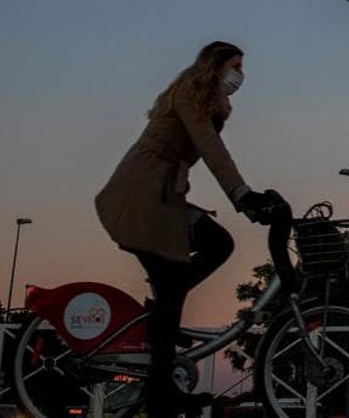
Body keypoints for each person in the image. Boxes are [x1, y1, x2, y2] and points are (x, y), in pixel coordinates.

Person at [95, 41, 280, 418]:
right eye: (235, 65)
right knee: (178, 276)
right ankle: (161, 393)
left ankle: (163, 320)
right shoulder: (189, 94)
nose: (240, 75)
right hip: (141, 193)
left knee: (206, 253)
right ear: (214, 66)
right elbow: (210, 149)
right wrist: (242, 195)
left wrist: (243, 195)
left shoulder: (210, 103)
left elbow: (209, 147)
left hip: (163, 194)